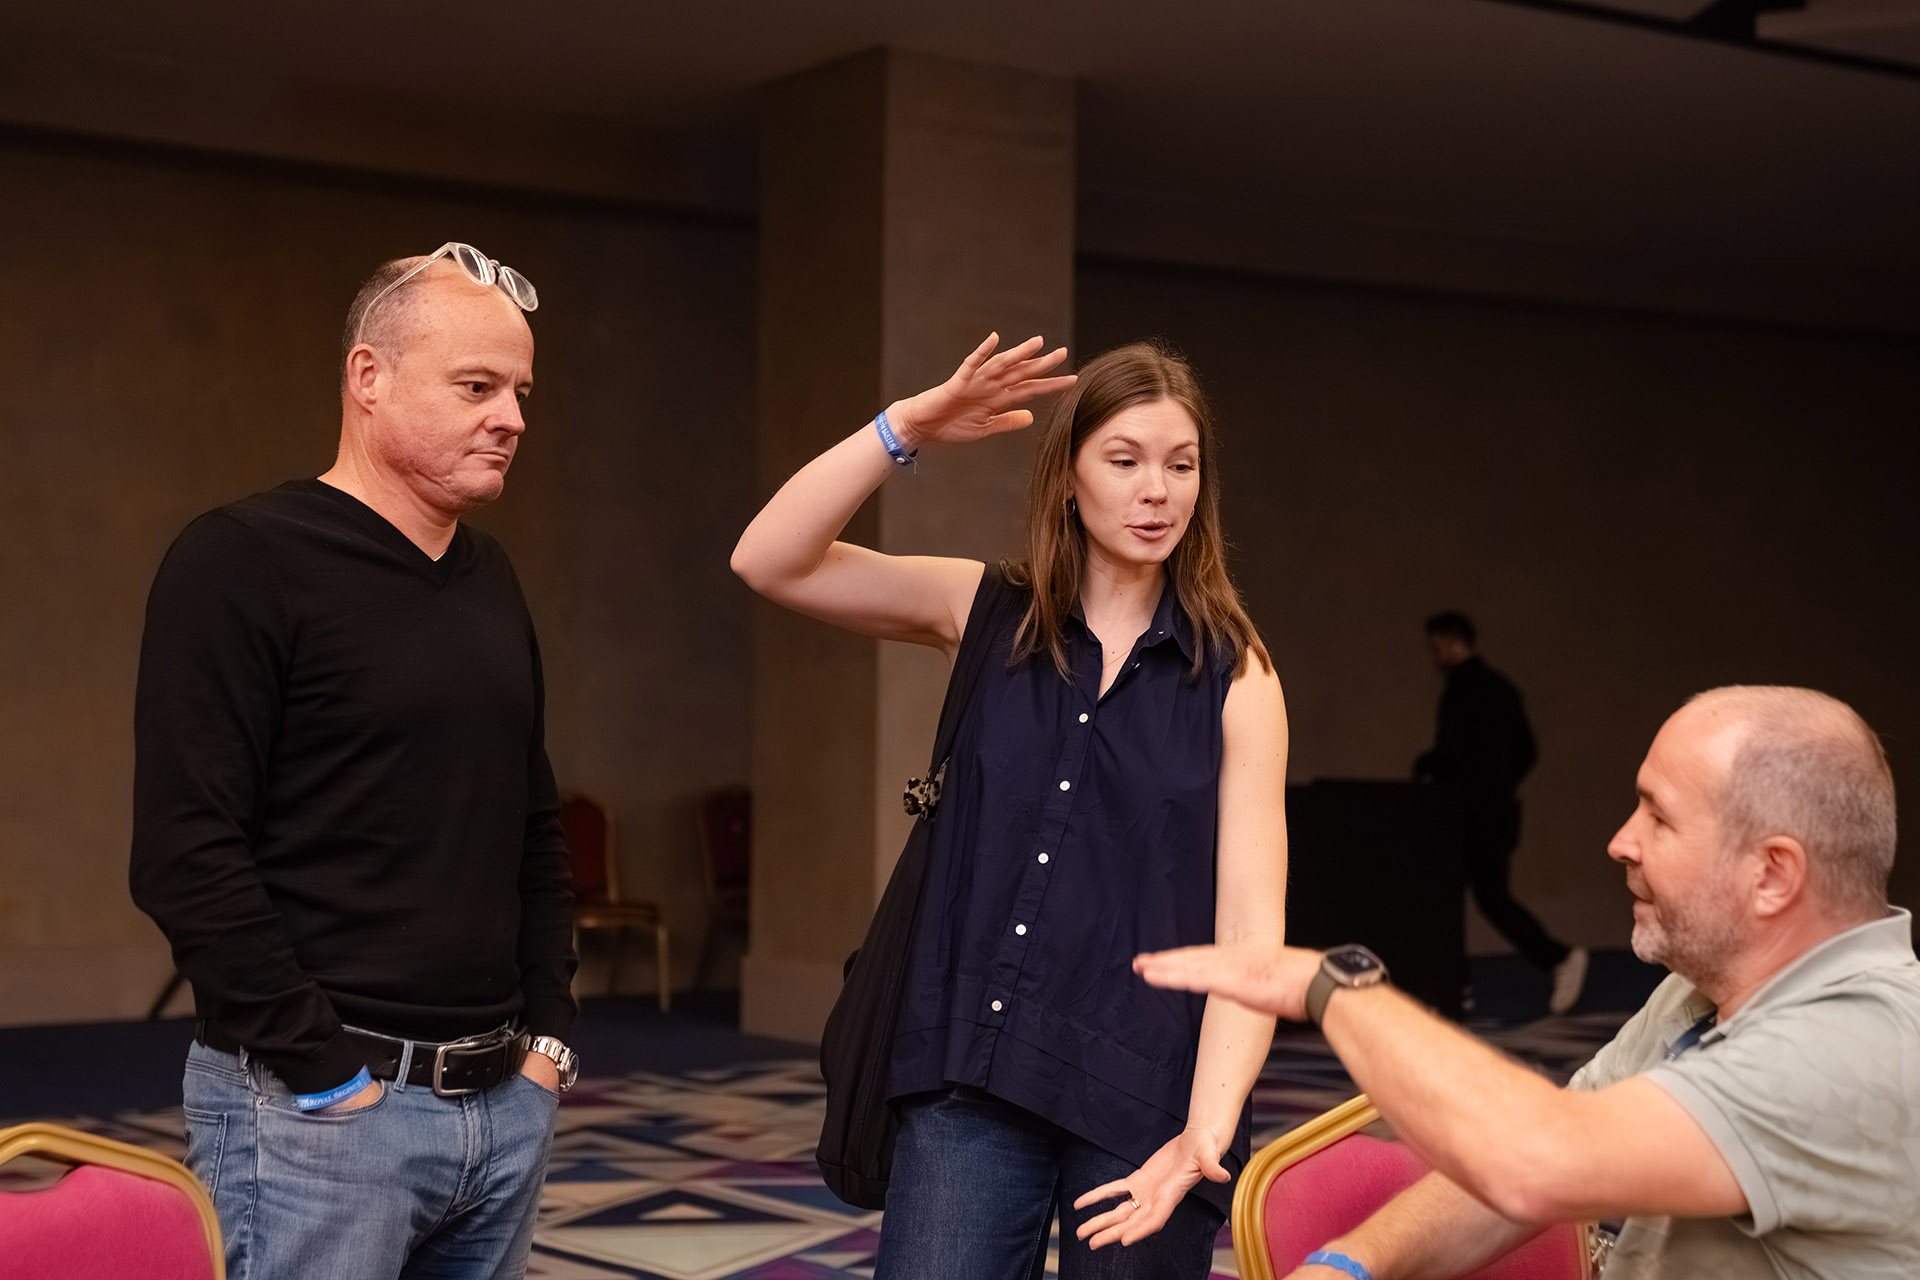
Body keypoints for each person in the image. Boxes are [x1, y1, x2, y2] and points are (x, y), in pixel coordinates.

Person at [732, 336, 1289, 1279]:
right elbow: (768, 560)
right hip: (975, 1074)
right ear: (1068, 478)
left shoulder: (1239, 678)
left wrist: (1207, 1129)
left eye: (1181, 465)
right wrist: (906, 426)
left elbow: (1249, 930)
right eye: (1124, 461)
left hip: (1145, 1096)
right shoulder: (986, 612)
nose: (1157, 491)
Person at [130, 242, 579, 1280]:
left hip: (502, 1109)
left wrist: (548, 1042)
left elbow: (531, 823)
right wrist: (327, 1072)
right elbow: (187, 852)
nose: (512, 417)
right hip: (318, 1118)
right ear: (368, 377)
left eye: (520, 391)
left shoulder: (490, 577)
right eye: (477, 386)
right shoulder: (241, 559)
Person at [1139, 686, 1920, 1279]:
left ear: (1772, 875)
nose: (1621, 842)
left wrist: (1331, 986)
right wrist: (1351, 1266)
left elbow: (1538, 1159)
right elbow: (1524, 1173)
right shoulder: (1704, 990)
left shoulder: (1848, 1046)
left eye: (1659, 819)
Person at [1415, 609, 1586, 1014]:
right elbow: (1527, 750)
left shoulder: (1464, 690)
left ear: (1452, 643)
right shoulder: (1499, 688)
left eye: (1435, 647)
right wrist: (1498, 788)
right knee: (1482, 896)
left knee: (1467, 898)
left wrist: (1436, 770)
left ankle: (1550, 958)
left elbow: (1454, 754)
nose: (1433, 657)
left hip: (1467, 816)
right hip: (1492, 813)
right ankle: (1458, 987)